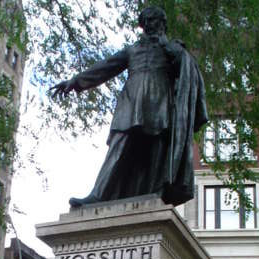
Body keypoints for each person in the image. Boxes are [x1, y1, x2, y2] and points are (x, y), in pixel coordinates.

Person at [52, 6, 208, 209]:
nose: (152, 25)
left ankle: (156, 193)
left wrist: (179, 54)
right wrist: (75, 81)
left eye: (156, 21)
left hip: (159, 102)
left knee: (156, 147)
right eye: (148, 21)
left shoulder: (172, 50)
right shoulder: (132, 50)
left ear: (163, 25)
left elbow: (188, 75)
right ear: (143, 26)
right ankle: (98, 194)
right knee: (119, 145)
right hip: (131, 102)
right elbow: (106, 66)